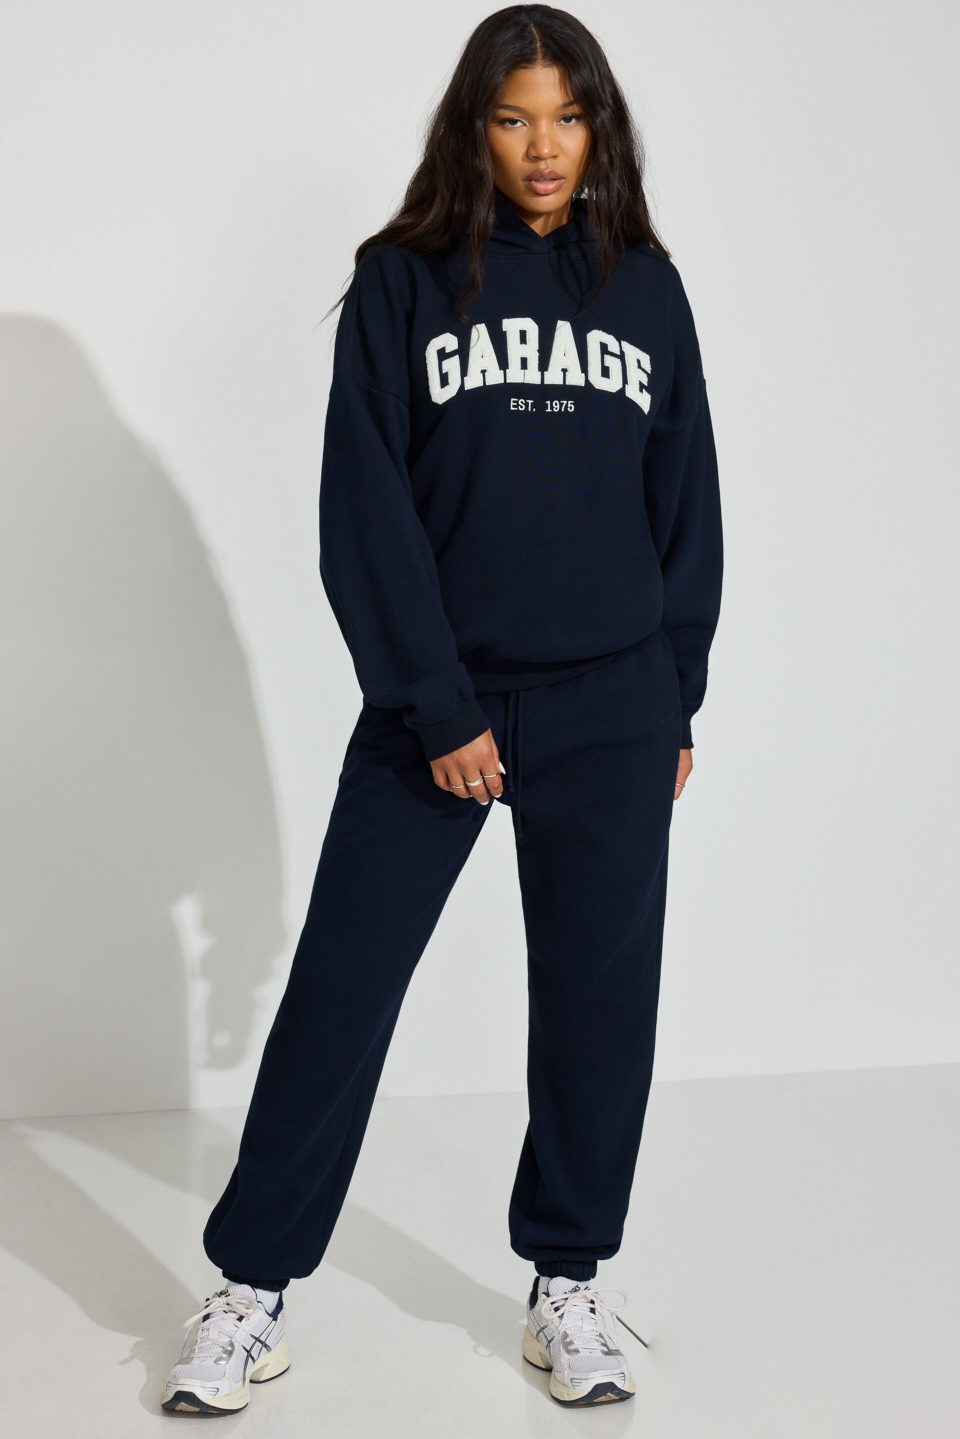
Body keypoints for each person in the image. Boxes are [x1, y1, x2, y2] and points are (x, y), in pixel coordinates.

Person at [161, 2, 723, 1415]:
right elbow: (365, 513)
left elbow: (688, 507)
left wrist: (676, 698)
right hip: (443, 712)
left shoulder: (646, 289)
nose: (543, 146)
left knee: (598, 1006)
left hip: (613, 704)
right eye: (514, 117)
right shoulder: (404, 282)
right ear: (473, 130)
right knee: (341, 994)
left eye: (568, 117)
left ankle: (567, 1283)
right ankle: (251, 1290)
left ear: (599, 129)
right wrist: (435, 705)